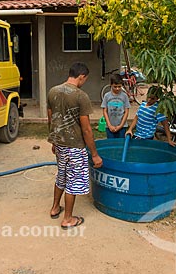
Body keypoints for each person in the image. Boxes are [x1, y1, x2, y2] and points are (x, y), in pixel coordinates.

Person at [47, 62, 103, 229]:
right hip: (75, 146)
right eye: (85, 79)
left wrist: (54, 141)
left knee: (61, 175)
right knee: (73, 180)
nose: (84, 81)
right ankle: (68, 218)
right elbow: (86, 129)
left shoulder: (53, 91)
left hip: (60, 144)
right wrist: (94, 154)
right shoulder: (81, 96)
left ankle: (55, 208)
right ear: (81, 76)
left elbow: (51, 119)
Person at [101, 73, 130, 138]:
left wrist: (121, 125)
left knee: (120, 144)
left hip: (122, 127)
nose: (117, 89)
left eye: (119, 86)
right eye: (115, 86)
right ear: (111, 85)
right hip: (109, 127)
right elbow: (105, 111)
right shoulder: (107, 96)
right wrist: (109, 125)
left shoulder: (124, 96)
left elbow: (126, 111)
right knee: (111, 144)